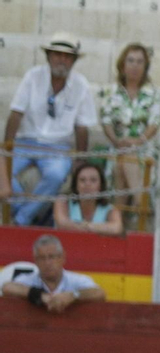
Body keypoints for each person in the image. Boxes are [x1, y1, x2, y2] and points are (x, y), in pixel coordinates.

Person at [4, 35, 97, 227]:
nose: (62, 60)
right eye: (57, 55)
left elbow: (82, 128)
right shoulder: (33, 76)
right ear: (48, 56)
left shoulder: (81, 85)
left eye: (67, 56)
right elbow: (16, 114)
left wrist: (80, 160)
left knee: (56, 175)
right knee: (2, 172)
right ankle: (23, 211)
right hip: (25, 142)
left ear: (74, 61)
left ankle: (21, 220)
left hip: (57, 147)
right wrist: (7, 149)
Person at [98, 43, 160, 217]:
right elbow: (105, 120)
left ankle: (118, 218)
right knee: (123, 159)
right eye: (131, 61)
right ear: (122, 65)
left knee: (125, 160)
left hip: (144, 147)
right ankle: (140, 204)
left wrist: (137, 141)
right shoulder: (110, 92)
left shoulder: (153, 93)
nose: (135, 66)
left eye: (140, 62)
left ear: (145, 67)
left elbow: (155, 122)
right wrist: (116, 140)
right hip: (117, 145)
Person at [1, 235, 106, 312]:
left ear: (62, 258)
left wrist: (73, 295)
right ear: (36, 261)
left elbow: (99, 293)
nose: (47, 263)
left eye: (51, 257)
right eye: (42, 258)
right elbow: (7, 288)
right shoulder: (29, 279)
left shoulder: (75, 279)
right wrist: (40, 295)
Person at [53, 161, 123, 236]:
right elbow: (62, 224)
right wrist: (97, 228)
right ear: (76, 185)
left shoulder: (111, 210)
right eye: (82, 180)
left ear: (100, 186)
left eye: (93, 180)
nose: (87, 184)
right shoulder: (63, 202)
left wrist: (84, 226)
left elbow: (116, 228)